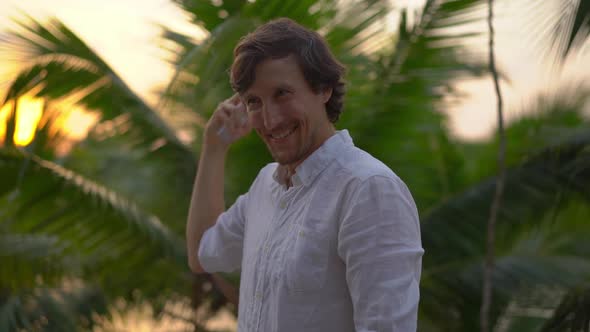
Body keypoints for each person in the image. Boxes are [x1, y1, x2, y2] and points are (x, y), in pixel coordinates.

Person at [186, 17, 424, 332]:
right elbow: (202, 254)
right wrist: (214, 148)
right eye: (254, 102)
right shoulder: (265, 188)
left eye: (282, 94)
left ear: (323, 88)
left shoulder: (368, 189)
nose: (269, 120)